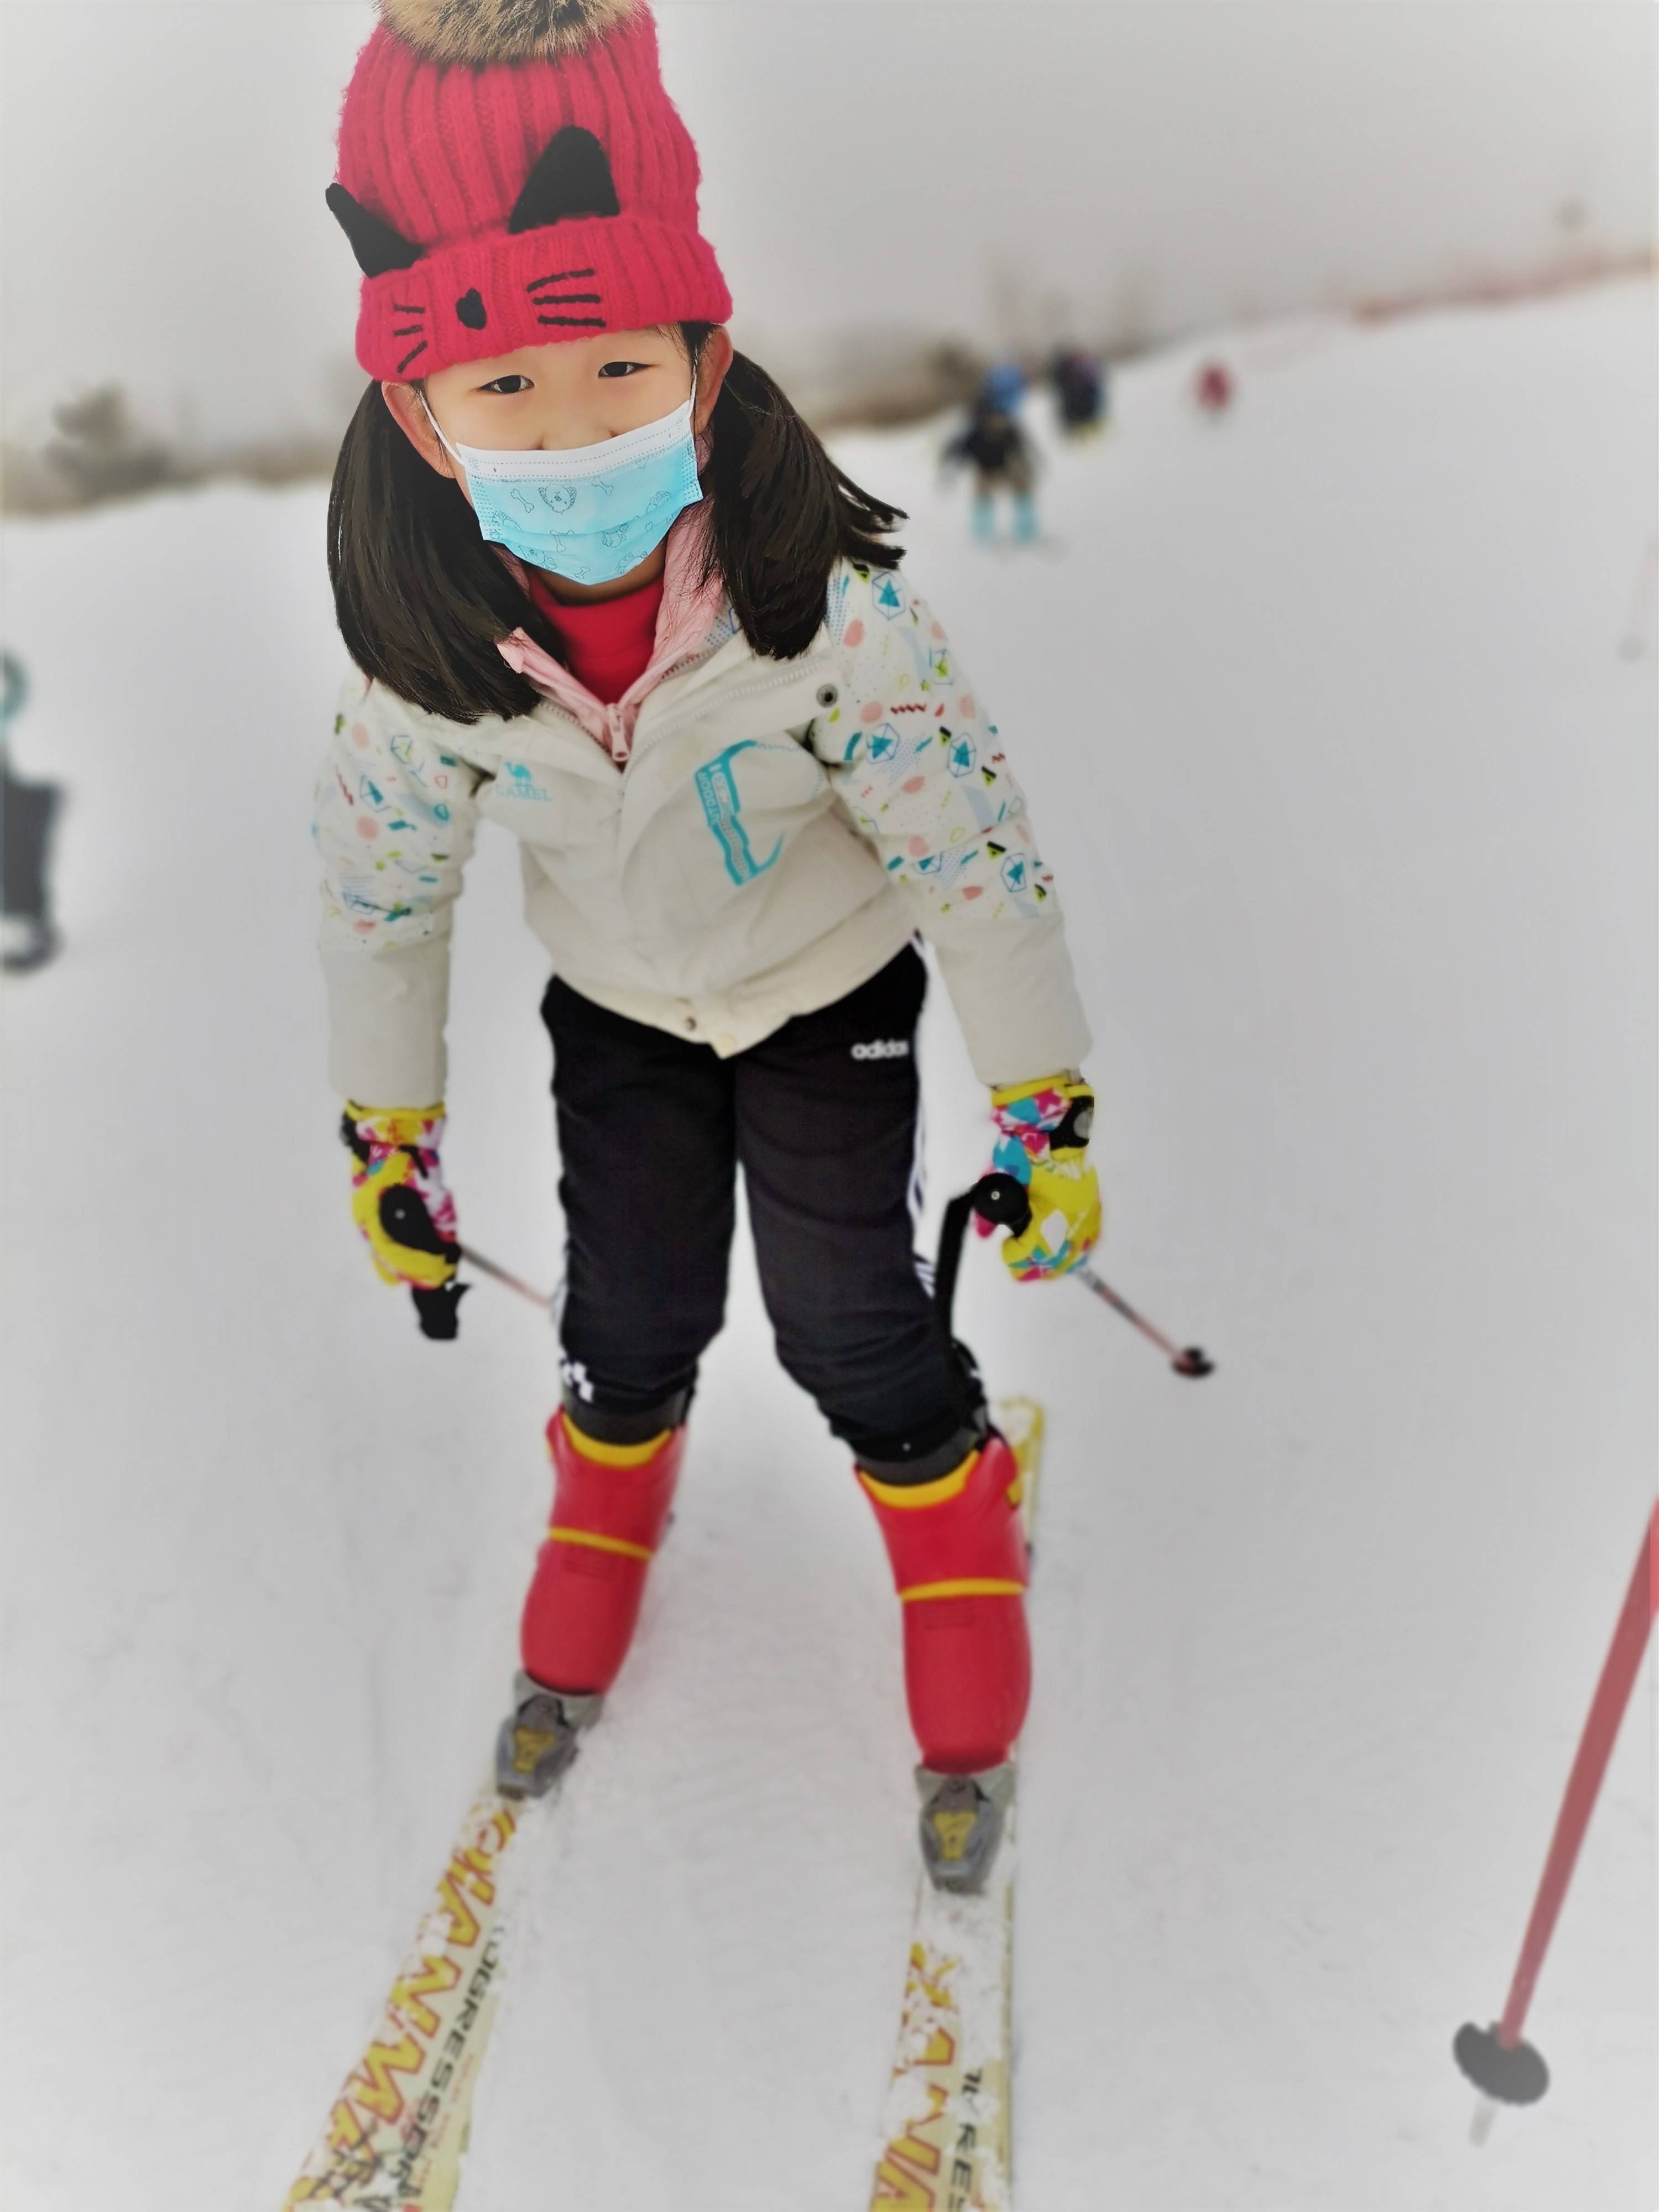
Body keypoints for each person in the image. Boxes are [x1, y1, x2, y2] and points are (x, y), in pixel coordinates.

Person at [316, 0, 1100, 1891]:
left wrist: (1045, 1101)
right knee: (635, 1302)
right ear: (422, 416)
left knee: (844, 1313)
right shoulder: (423, 677)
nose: (568, 430)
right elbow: (381, 903)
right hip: (622, 1016)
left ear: (702, 356)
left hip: (826, 997)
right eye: (506, 394)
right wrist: (388, 1136)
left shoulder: (820, 614)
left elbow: (972, 855)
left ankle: (944, 1495)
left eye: (612, 373)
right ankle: (608, 1497)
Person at [943, 391, 1040, 547]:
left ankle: (1025, 532)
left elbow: (1021, 446)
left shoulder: (1005, 428)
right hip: (986, 470)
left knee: (1021, 493)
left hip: (1006, 466)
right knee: (984, 502)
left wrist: (1029, 464)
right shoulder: (974, 434)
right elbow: (959, 453)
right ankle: (983, 536)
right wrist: (950, 474)